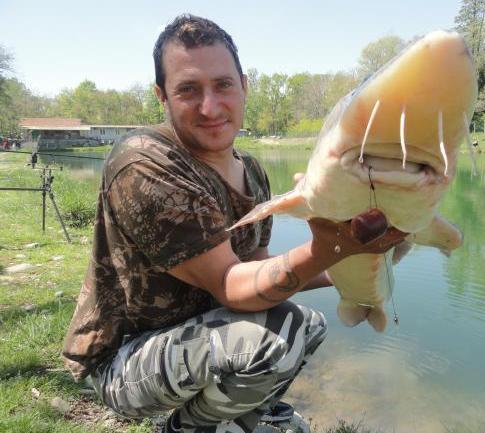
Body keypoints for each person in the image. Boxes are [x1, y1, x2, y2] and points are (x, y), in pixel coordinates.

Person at [62, 13, 406, 433]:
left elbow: (257, 265)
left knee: (307, 325)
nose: (209, 107)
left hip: (196, 341)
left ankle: (244, 415)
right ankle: (188, 428)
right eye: (188, 90)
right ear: (162, 96)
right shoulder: (144, 162)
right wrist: (328, 247)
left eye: (222, 85)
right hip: (124, 361)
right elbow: (230, 284)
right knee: (281, 330)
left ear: (244, 86)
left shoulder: (252, 170)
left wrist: (351, 260)